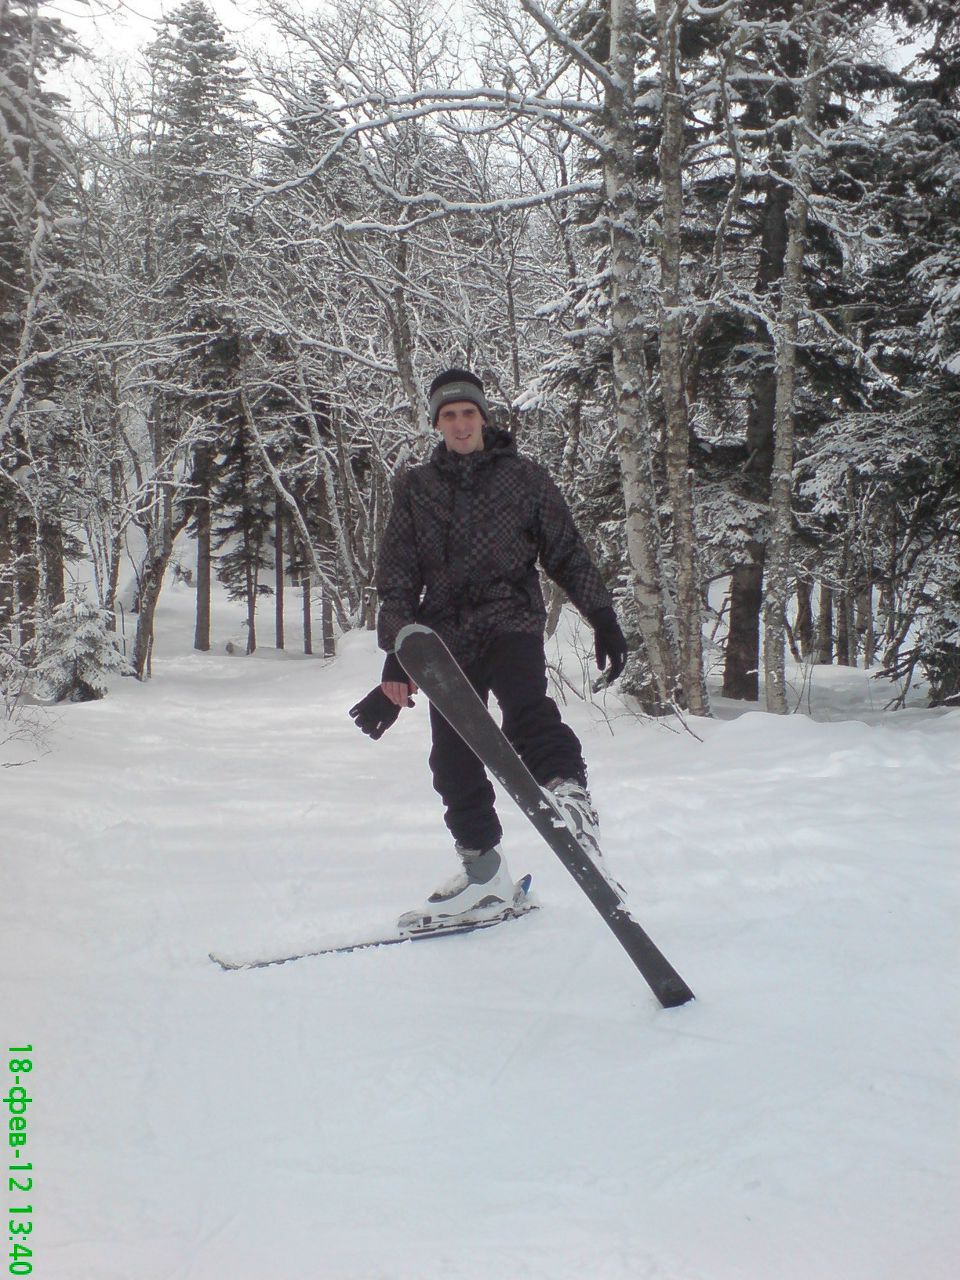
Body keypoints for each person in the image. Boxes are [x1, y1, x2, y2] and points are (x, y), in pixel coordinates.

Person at [349, 368, 628, 928]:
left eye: (467, 413)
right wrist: (396, 656)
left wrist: (601, 615)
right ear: (436, 423)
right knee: (451, 760)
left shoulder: (525, 479)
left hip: (509, 619)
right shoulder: (416, 487)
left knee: (527, 708)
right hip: (444, 636)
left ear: (483, 417)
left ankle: (569, 798)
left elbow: (566, 551)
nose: (459, 423)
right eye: (447, 415)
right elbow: (399, 577)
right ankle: (484, 875)